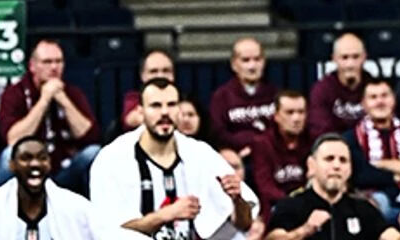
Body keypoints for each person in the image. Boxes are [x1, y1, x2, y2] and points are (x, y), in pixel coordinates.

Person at [93, 78, 258, 240]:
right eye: (155, 106)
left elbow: (243, 225)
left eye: (171, 105)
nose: (164, 112)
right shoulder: (113, 158)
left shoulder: (200, 154)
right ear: (140, 112)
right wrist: (166, 215)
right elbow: (108, 233)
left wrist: (237, 200)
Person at [0, 39, 100, 193]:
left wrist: (63, 100)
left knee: (94, 153)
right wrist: (44, 100)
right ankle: (4, 212)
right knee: (8, 156)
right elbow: (13, 140)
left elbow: (91, 136)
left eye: (58, 61)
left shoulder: (72, 93)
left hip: (63, 171)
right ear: (32, 66)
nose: (54, 67)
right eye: (47, 62)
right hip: (29, 168)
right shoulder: (14, 93)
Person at [266, 134, 400, 240]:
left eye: (343, 160)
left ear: (350, 169)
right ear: (311, 165)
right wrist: (304, 230)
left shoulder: (364, 209)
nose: (336, 166)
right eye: (329, 159)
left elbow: (390, 236)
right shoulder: (290, 206)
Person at [0, 136, 94, 240]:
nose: (35, 164)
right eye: (26, 158)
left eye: (42, 158)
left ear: (49, 164)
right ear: (12, 165)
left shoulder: (76, 207)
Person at [347, 79, 400, 223]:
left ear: (394, 100)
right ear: (363, 104)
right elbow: (360, 176)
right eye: (373, 97)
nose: (380, 101)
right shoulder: (352, 137)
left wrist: (382, 164)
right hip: (374, 199)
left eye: (384, 96)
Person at [210, 38, 279, 155]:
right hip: (234, 159)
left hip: (270, 156)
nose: (252, 66)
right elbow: (218, 132)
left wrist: (257, 146)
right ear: (234, 64)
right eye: (245, 60)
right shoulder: (221, 97)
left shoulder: (275, 94)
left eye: (257, 59)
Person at [252, 91, 312, 223]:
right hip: (277, 210)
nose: (296, 118)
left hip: (309, 207)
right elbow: (265, 186)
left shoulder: (313, 140)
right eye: (290, 112)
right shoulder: (262, 143)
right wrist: (292, 201)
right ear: (276, 116)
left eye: (301, 112)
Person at [310, 33, 371, 136]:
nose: (350, 64)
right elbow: (320, 130)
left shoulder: (374, 87)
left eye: (355, 57)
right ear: (334, 58)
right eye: (344, 57)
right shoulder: (322, 90)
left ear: (364, 57)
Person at [123, 50, 177, 131]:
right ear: (142, 75)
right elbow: (131, 120)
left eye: (166, 71)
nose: (160, 76)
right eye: (153, 71)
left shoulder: (182, 98)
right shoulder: (134, 98)